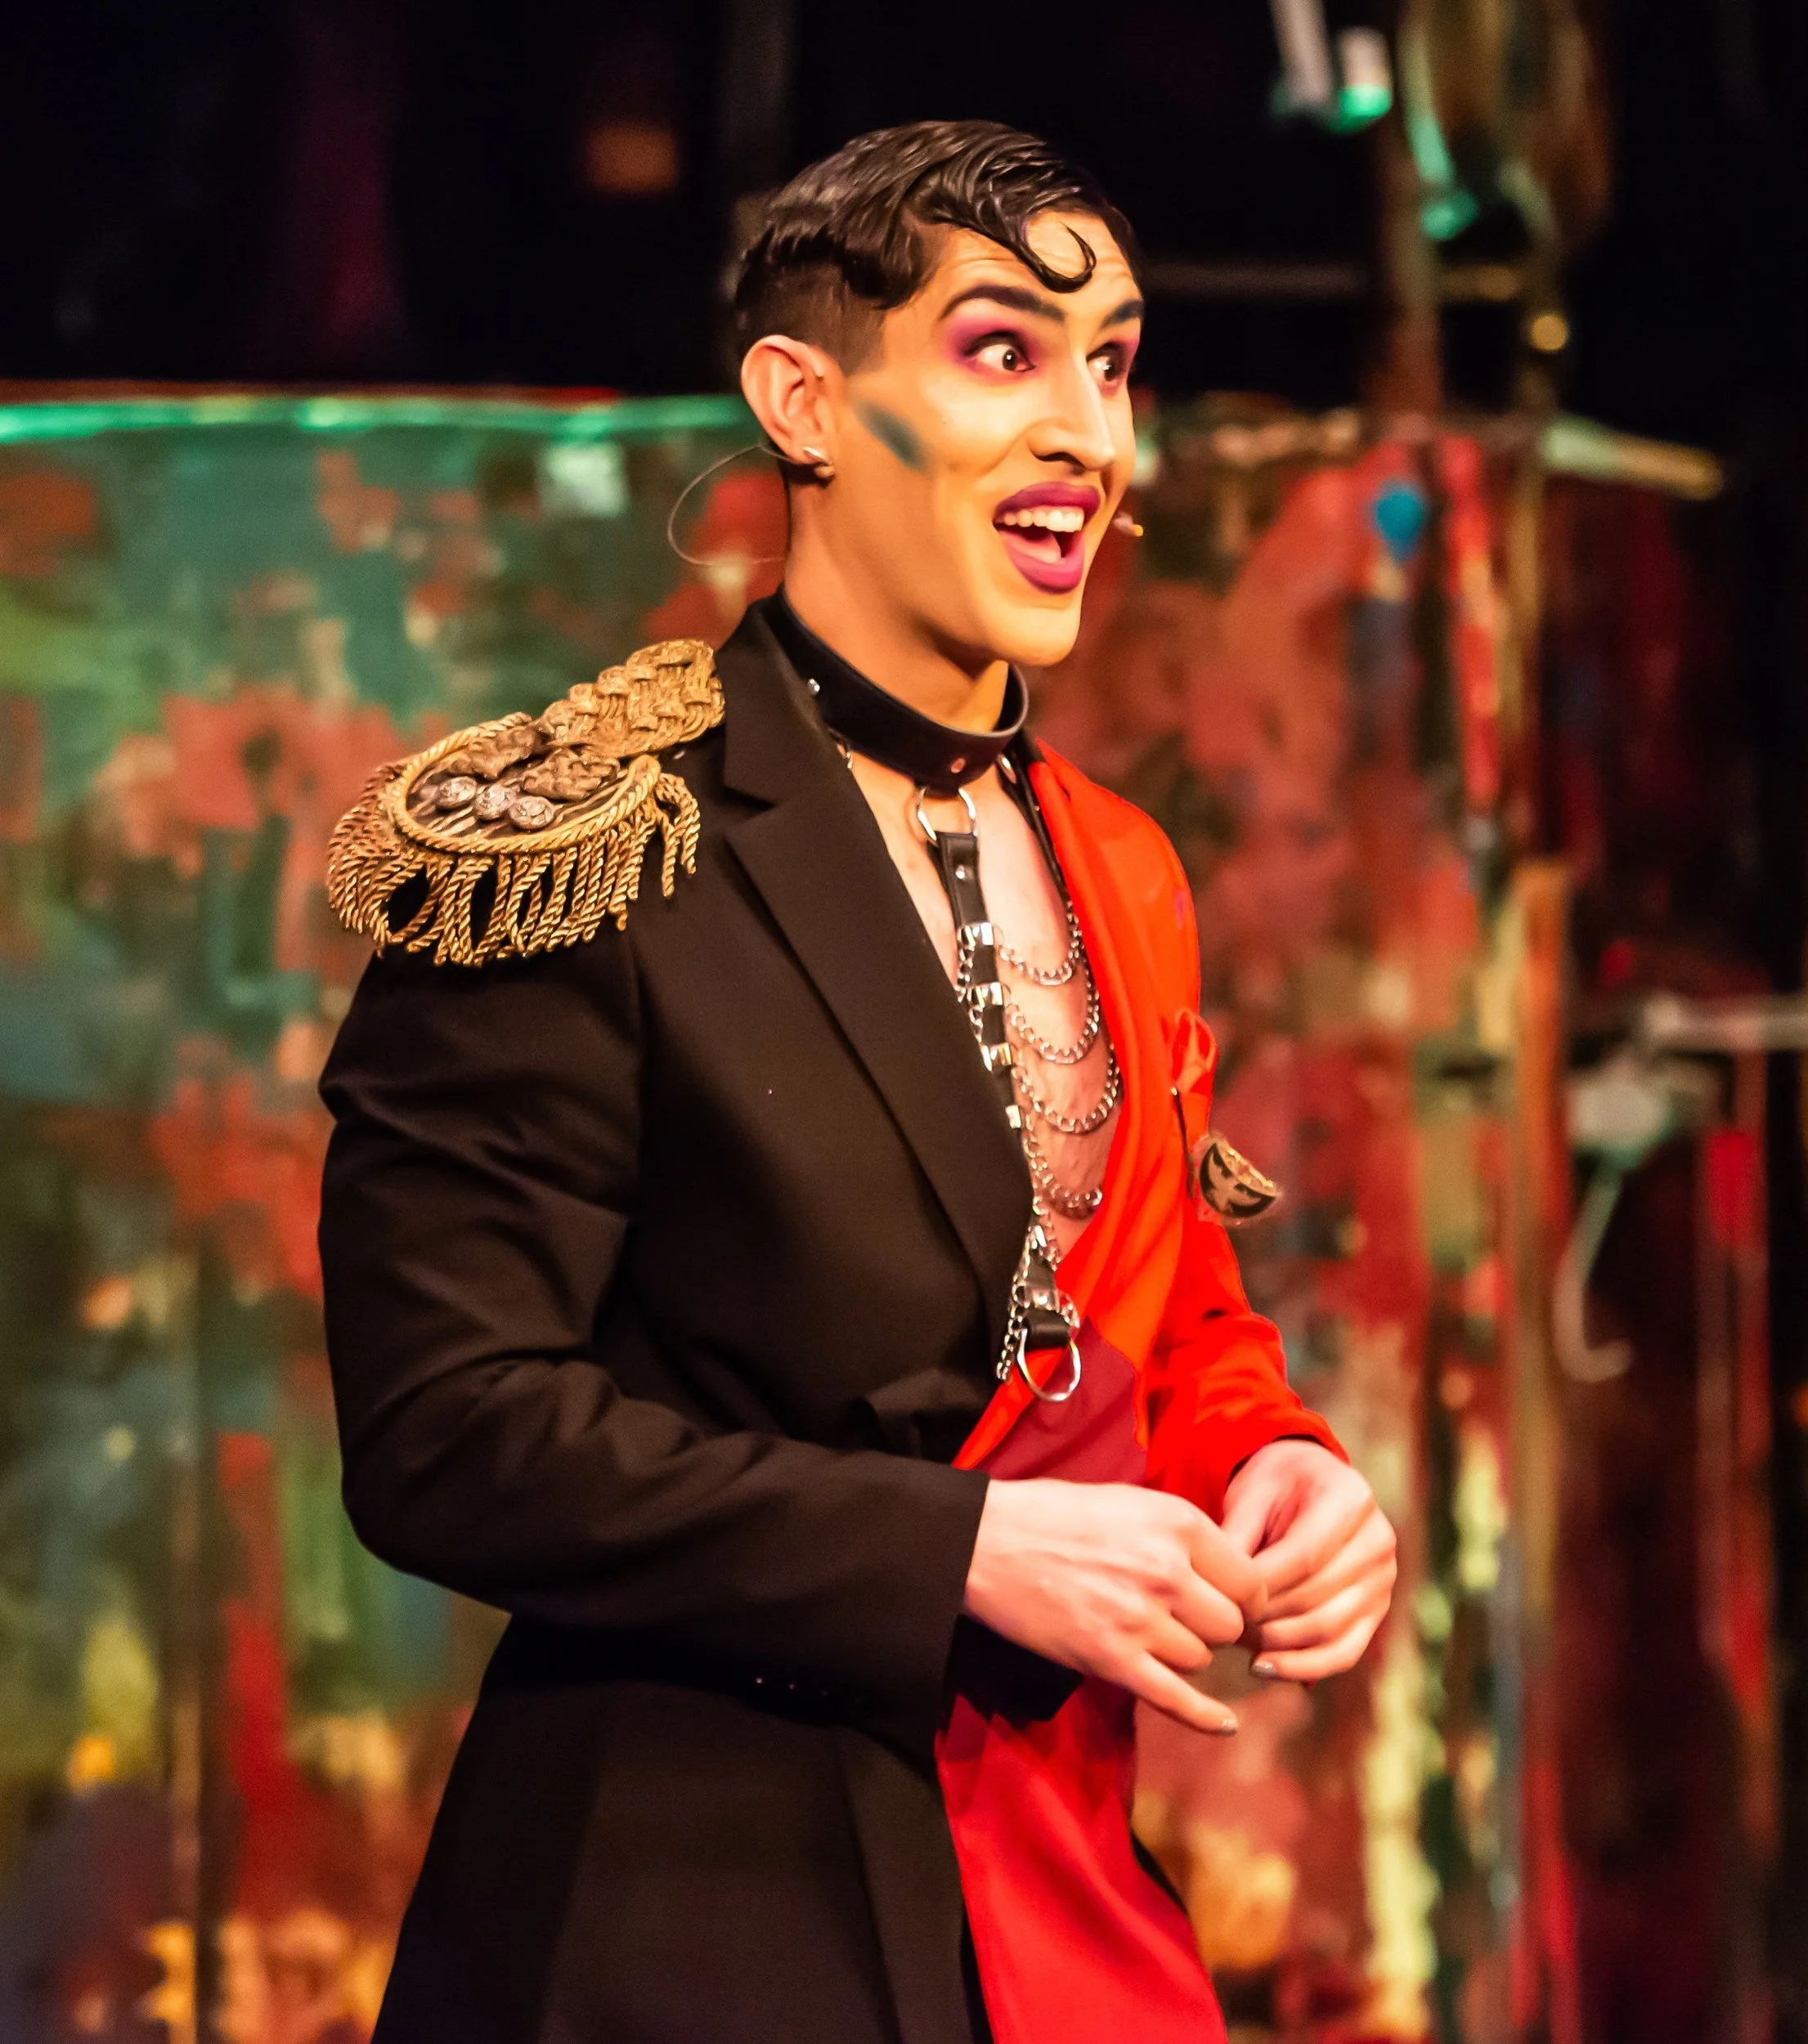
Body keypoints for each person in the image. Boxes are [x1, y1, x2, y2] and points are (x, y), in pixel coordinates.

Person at [318, 119, 1397, 2044]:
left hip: (1056, 1886)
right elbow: (453, 1430)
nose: (1086, 428)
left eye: (1115, 360)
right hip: (687, 1911)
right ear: (802, 401)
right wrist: (956, 1548)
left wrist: (1277, 1461)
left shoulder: (1121, 865)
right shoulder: (577, 845)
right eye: (1003, 350)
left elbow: (1142, 1317)